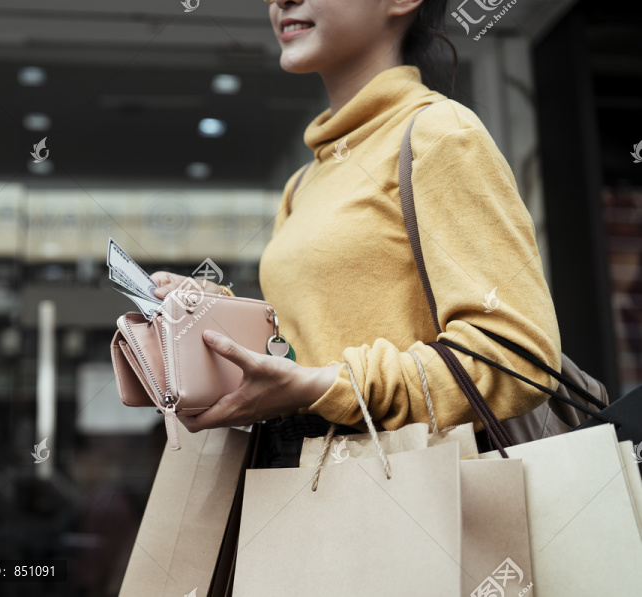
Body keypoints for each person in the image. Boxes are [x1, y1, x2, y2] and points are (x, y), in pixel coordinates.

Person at [152, 0, 560, 467]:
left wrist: (333, 387)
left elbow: (519, 357)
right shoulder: (302, 183)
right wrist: (214, 317)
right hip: (306, 483)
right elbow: (303, 353)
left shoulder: (441, 133)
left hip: (411, 492)